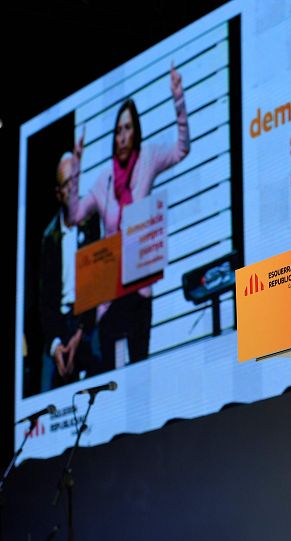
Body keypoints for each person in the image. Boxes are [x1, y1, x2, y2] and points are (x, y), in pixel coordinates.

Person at [68, 63, 190, 366]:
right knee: (112, 375)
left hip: (139, 290)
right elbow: (73, 215)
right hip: (109, 298)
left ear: (135, 131)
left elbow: (181, 150)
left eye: (127, 129)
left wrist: (178, 100)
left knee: (139, 370)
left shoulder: (148, 158)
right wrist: (76, 168)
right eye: (118, 131)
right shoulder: (104, 179)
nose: (122, 136)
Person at [39, 151, 102, 390]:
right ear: (58, 193)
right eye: (68, 184)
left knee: (97, 365)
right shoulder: (49, 237)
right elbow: (45, 301)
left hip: (87, 320)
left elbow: (97, 282)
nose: (73, 189)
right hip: (59, 324)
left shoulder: (91, 221)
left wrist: (80, 331)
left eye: (76, 181)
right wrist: (56, 345)